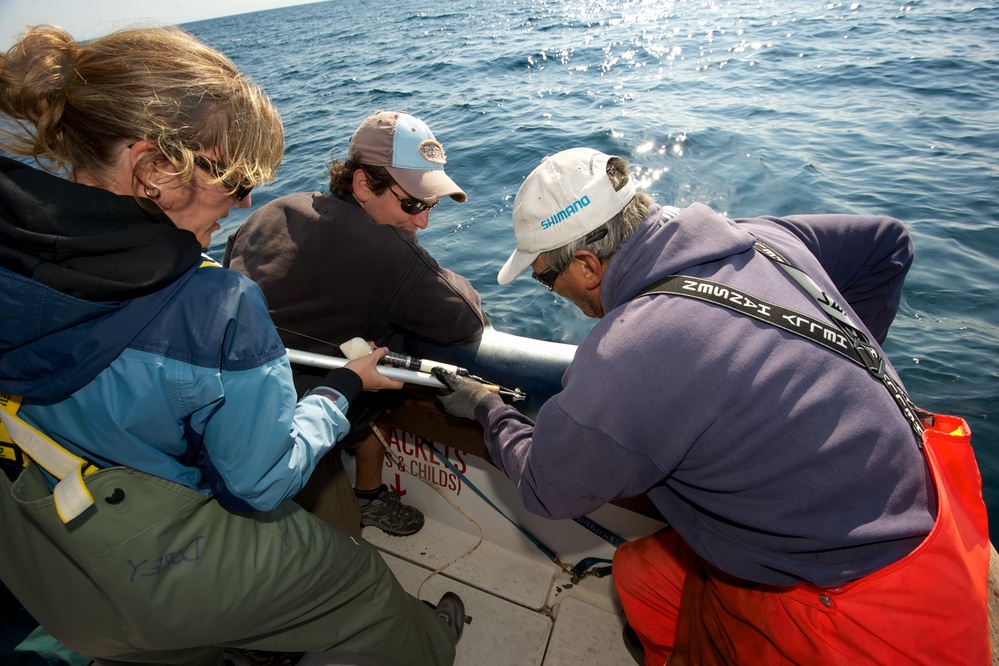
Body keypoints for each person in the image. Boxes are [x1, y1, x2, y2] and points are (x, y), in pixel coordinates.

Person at [0, 25, 465, 666]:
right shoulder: (213, 308)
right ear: (153, 167)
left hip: (52, 568)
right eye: (237, 179)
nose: (249, 200)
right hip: (155, 566)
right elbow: (259, 484)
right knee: (361, 583)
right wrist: (345, 386)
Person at [432, 147, 990, 664]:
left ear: (585, 266)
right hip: (941, 515)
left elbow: (545, 489)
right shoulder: (759, 238)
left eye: (547, 280)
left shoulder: (627, 354)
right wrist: (827, 376)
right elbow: (888, 244)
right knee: (641, 577)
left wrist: (485, 406)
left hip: (855, 606)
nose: (557, 294)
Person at [224, 109, 484, 537]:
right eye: (413, 204)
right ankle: (353, 514)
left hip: (237, 407)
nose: (423, 220)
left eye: (431, 204)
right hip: (284, 443)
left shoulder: (270, 212)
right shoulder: (387, 253)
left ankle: (367, 493)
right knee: (339, 550)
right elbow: (466, 318)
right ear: (363, 185)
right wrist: (410, 253)